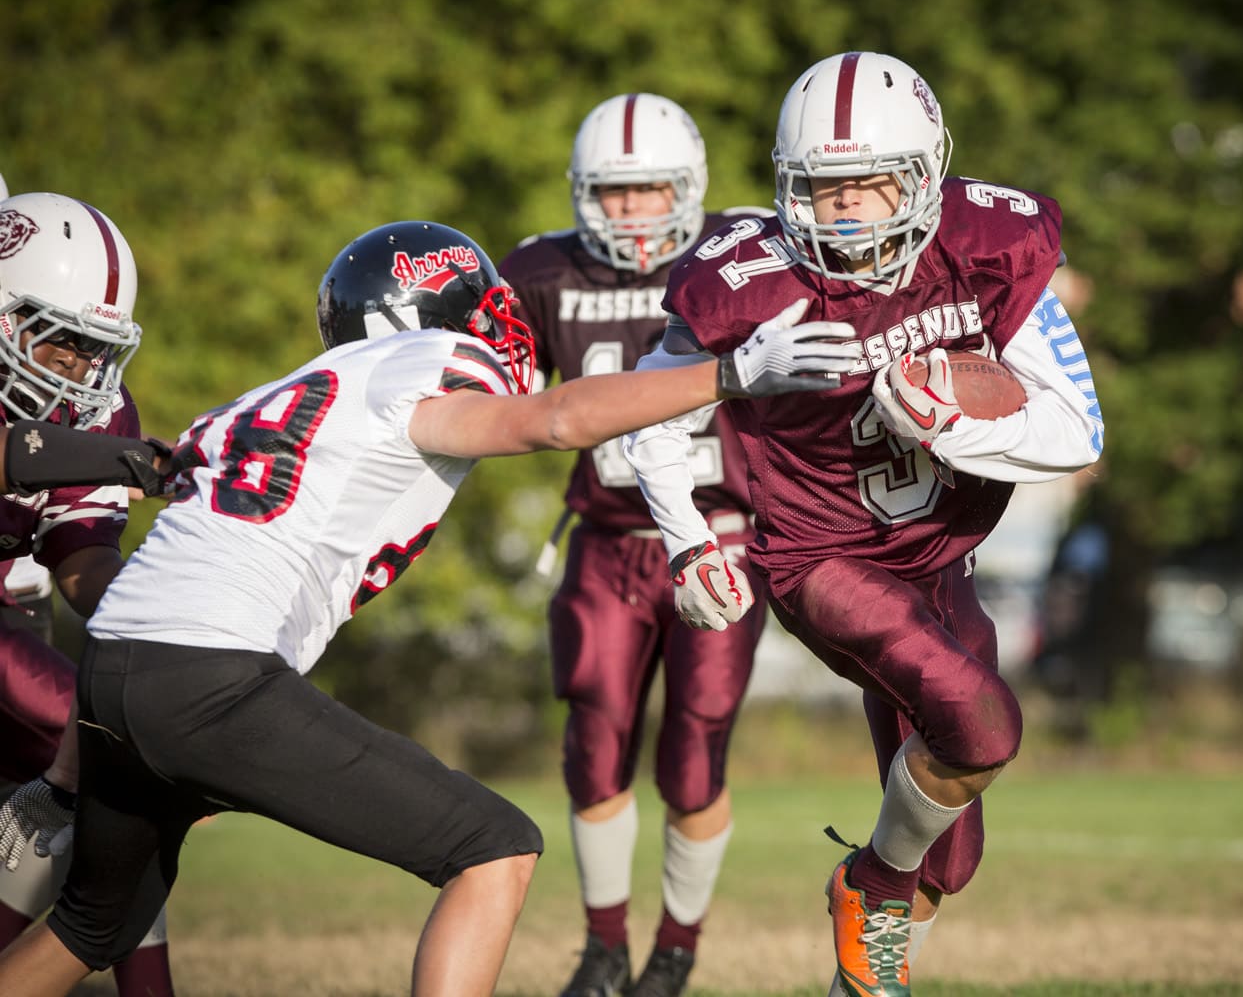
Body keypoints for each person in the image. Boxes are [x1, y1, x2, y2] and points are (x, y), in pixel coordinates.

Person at [0, 218, 859, 997]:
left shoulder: (274, 397)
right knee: (494, 849)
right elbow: (557, 422)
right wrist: (731, 374)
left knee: (89, 926)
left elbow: (142, 599)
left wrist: (66, 778)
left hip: (115, 672)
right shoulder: (428, 367)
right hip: (209, 673)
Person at [623, 52, 1105, 997]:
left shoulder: (990, 244)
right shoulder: (747, 280)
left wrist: (959, 422)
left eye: (870, 185)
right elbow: (647, 406)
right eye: (821, 188)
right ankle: (869, 884)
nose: (845, 212)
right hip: (819, 559)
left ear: (926, 174)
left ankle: (863, 974)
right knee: (983, 727)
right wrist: (686, 534)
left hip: (942, 558)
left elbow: (1075, 427)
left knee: (951, 855)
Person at [499, 92, 768, 997]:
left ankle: (677, 952)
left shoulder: (743, 251)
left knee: (695, 755)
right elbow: (476, 383)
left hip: (722, 536)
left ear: (688, 187)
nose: (635, 211)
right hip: (608, 541)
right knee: (595, 741)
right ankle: (605, 946)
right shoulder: (538, 271)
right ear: (584, 193)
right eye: (616, 193)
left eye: (653, 189)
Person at [0, 189, 177, 997]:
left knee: (129, 785)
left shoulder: (93, 410)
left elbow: (79, 552)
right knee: (103, 729)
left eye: (94, 346)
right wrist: (130, 462)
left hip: (11, 611)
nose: (79, 366)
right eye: (62, 339)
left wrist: (155, 631)